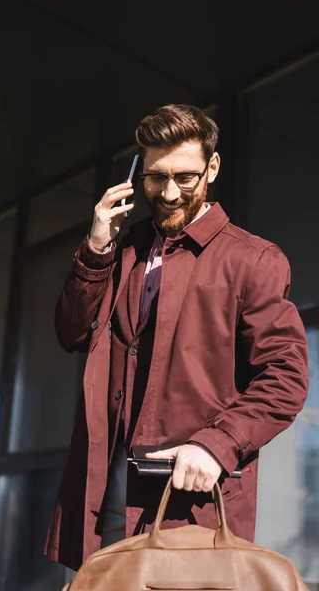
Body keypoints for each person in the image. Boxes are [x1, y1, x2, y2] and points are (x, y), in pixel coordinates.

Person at [44, 104, 309, 572]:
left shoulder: (254, 260)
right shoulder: (121, 249)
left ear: (213, 167)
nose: (168, 193)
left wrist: (217, 444)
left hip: (189, 505)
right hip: (102, 499)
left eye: (185, 177)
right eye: (155, 177)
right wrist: (97, 244)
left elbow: (285, 379)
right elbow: (69, 332)